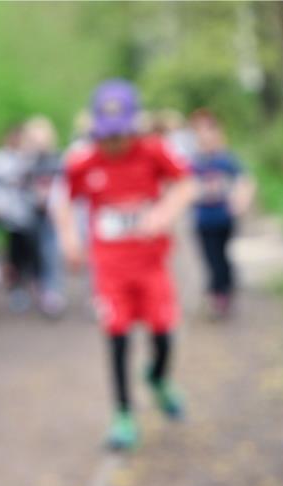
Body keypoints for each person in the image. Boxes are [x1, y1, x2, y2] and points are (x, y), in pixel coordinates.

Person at [54, 80, 196, 450]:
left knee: (164, 334)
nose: (114, 143)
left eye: (121, 135)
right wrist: (69, 238)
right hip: (110, 268)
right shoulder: (84, 162)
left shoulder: (154, 152)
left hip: (151, 264)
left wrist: (164, 212)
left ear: (135, 127)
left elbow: (186, 184)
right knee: (116, 336)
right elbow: (63, 201)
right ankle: (123, 414)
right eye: (107, 135)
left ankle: (159, 378)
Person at [189, 109, 256, 318]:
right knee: (210, 258)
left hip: (224, 218)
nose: (205, 137)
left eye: (209, 132)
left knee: (221, 256)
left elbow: (245, 181)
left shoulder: (226, 160)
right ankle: (216, 293)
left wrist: (241, 202)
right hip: (203, 220)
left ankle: (222, 291)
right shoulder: (194, 162)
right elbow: (182, 186)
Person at [0, 123, 38, 311]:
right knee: (13, 254)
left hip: (28, 215)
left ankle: (28, 285)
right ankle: (14, 288)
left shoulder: (29, 158)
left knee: (29, 253)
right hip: (6, 216)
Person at [23, 116, 66, 317]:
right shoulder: (25, 161)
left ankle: (52, 291)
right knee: (32, 253)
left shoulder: (58, 159)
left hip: (51, 215)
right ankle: (35, 287)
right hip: (29, 215)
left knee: (50, 252)